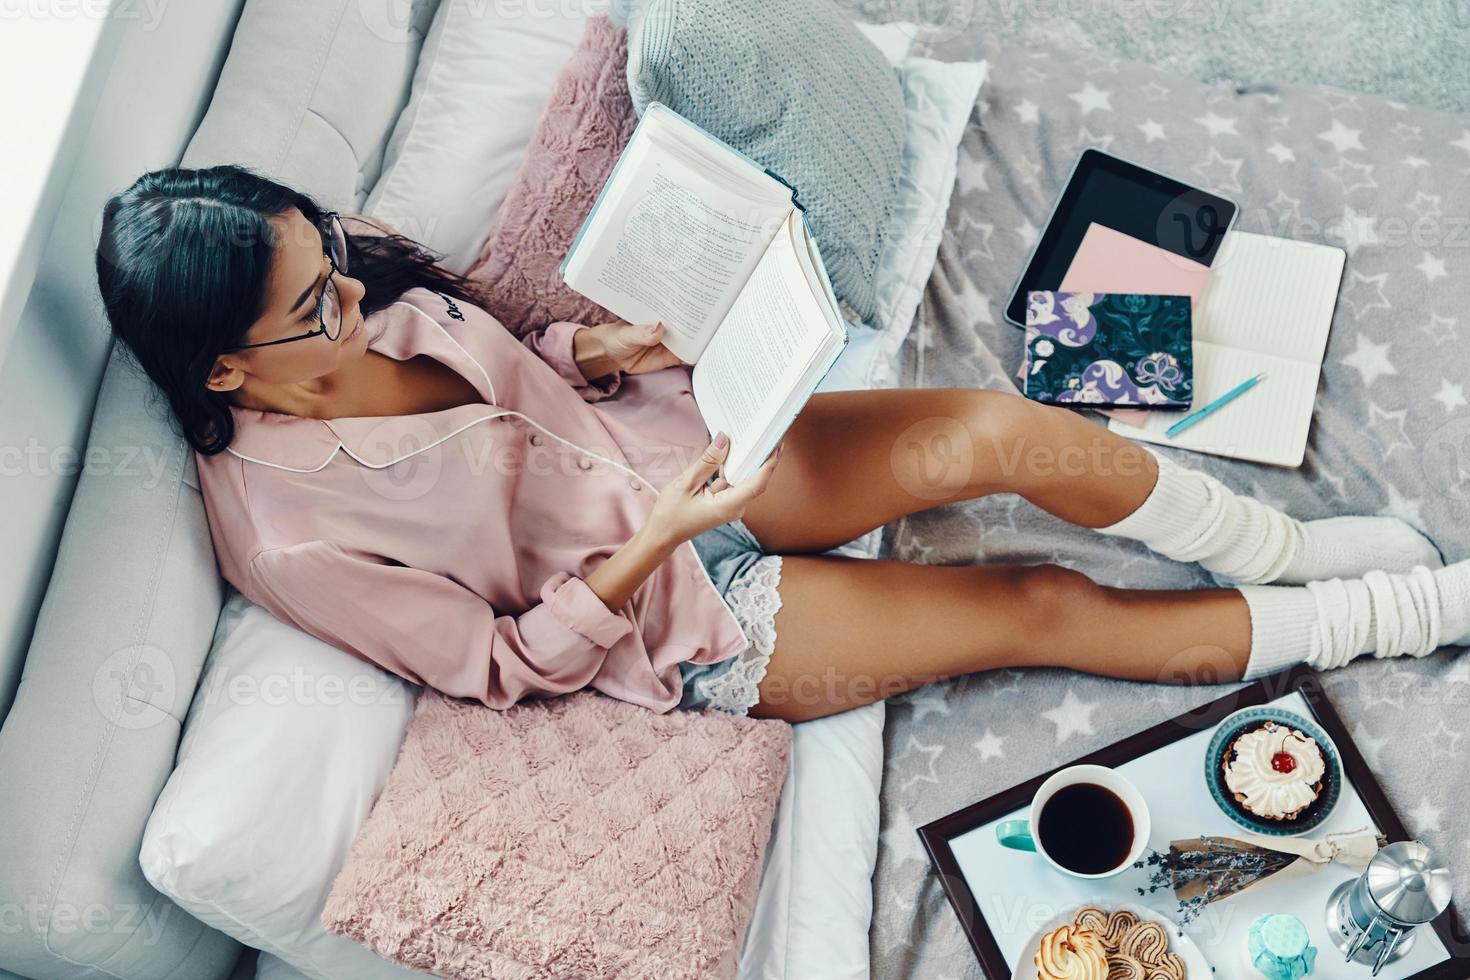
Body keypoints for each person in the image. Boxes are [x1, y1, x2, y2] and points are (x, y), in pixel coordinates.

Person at [95, 164, 1468, 724]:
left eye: (333, 256)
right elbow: (499, 668)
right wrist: (655, 544)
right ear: (227, 366)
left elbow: (509, 375)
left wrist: (595, 353)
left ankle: (1282, 549)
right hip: (684, 604)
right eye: (320, 301)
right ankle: (1394, 613)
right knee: (1032, 600)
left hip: (693, 446)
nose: (357, 294)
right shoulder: (286, 535)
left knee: (996, 427)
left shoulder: (361, 305)